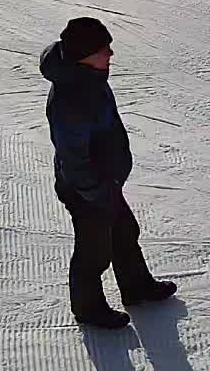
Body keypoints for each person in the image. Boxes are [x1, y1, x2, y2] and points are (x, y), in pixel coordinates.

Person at [40, 17, 177, 329]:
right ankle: (88, 309)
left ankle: (137, 287)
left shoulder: (88, 76)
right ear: (82, 55)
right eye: (104, 49)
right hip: (87, 188)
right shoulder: (71, 98)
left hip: (104, 182)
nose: (110, 54)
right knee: (94, 251)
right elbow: (74, 158)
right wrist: (96, 190)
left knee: (124, 233)